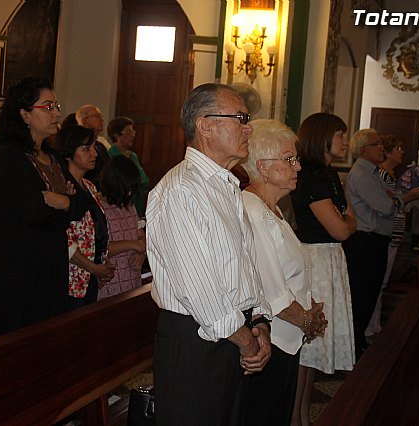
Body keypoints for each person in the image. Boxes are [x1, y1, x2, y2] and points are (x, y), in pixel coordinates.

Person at [146, 83, 272, 426]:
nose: (248, 128)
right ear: (206, 125)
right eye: (241, 118)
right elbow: (199, 290)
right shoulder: (181, 190)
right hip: (197, 342)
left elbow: (244, 265)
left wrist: (259, 321)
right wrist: (248, 341)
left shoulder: (226, 185)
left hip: (233, 334)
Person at [0, 77, 88, 341]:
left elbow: (83, 204)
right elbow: (34, 213)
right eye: (48, 106)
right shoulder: (8, 157)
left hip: (48, 263)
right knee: (9, 346)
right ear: (25, 114)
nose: (57, 112)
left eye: (56, 105)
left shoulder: (54, 158)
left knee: (42, 343)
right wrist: (65, 205)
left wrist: (62, 201)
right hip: (12, 266)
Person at [241, 119, 326, 426]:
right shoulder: (252, 211)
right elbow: (271, 291)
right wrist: (306, 320)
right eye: (289, 159)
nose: (298, 167)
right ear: (263, 167)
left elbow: (291, 269)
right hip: (268, 340)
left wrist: (310, 309)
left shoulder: (272, 209)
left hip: (284, 337)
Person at [290, 112, 357, 426]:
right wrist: (349, 222)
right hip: (315, 261)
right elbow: (341, 228)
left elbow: (346, 219)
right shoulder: (314, 176)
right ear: (322, 138)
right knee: (307, 349)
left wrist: (348, 220)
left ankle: (303, 416)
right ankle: (296, 417)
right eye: (340, 134)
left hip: (328, 258)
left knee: (312, 354)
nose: (345, 140)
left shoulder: (327, 173)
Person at [344, 128, 419, 361]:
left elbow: (388, 200)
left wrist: (392, 199)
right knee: (362, 296)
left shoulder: (373, 172)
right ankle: (354, 345)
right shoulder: (362, 174)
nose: (382, 149)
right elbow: (386, 206)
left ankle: (357, 343)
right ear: (364, 150)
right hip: (366, 242)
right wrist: (397, 199)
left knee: (370, 294)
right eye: (377, 145)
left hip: (375, 240)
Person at [365, 135, 419, 336]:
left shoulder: (390, 174)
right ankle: (371, 326)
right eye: (398, 147)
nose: (402, 152)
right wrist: (409, 197)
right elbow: (386, 205)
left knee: (383, 281)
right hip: (384, 233)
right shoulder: (381, 175)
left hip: (392, 233)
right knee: (378, 281)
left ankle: (374, 324)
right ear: (388, 152)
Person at [52, 124, 114, 307]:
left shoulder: (90, 186)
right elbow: (64, 240)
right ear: (68, 153)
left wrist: (102, 265)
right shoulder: (61, 187)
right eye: (86, 149)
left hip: (92, 276)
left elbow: (99, 230)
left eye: (94, 148)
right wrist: (94, 268)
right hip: (71, 278)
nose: (94, 154)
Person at [97, 155, 146, 300]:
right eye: (127, 188)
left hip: (132, 281)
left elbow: (140, 236)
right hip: (109, 285)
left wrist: (141, 254)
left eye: (132, 188)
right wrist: (133, 244)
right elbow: (99, 248)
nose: (130, 193)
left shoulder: (129, 205)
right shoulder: (97, 207)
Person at [107, 116, 150, 217]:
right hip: (121, 206)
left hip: (136, 203)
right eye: (129, 132)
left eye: (133, 131)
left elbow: (143, 178)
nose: (133, 135)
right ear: (117, 135)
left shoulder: (132, 155)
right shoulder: (111, 154)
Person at [76, 104, 110, 187]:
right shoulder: (77, 144)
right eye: (97, 116)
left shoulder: (100, 146)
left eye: (101, 116)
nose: (102, 119)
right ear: (84, 120)